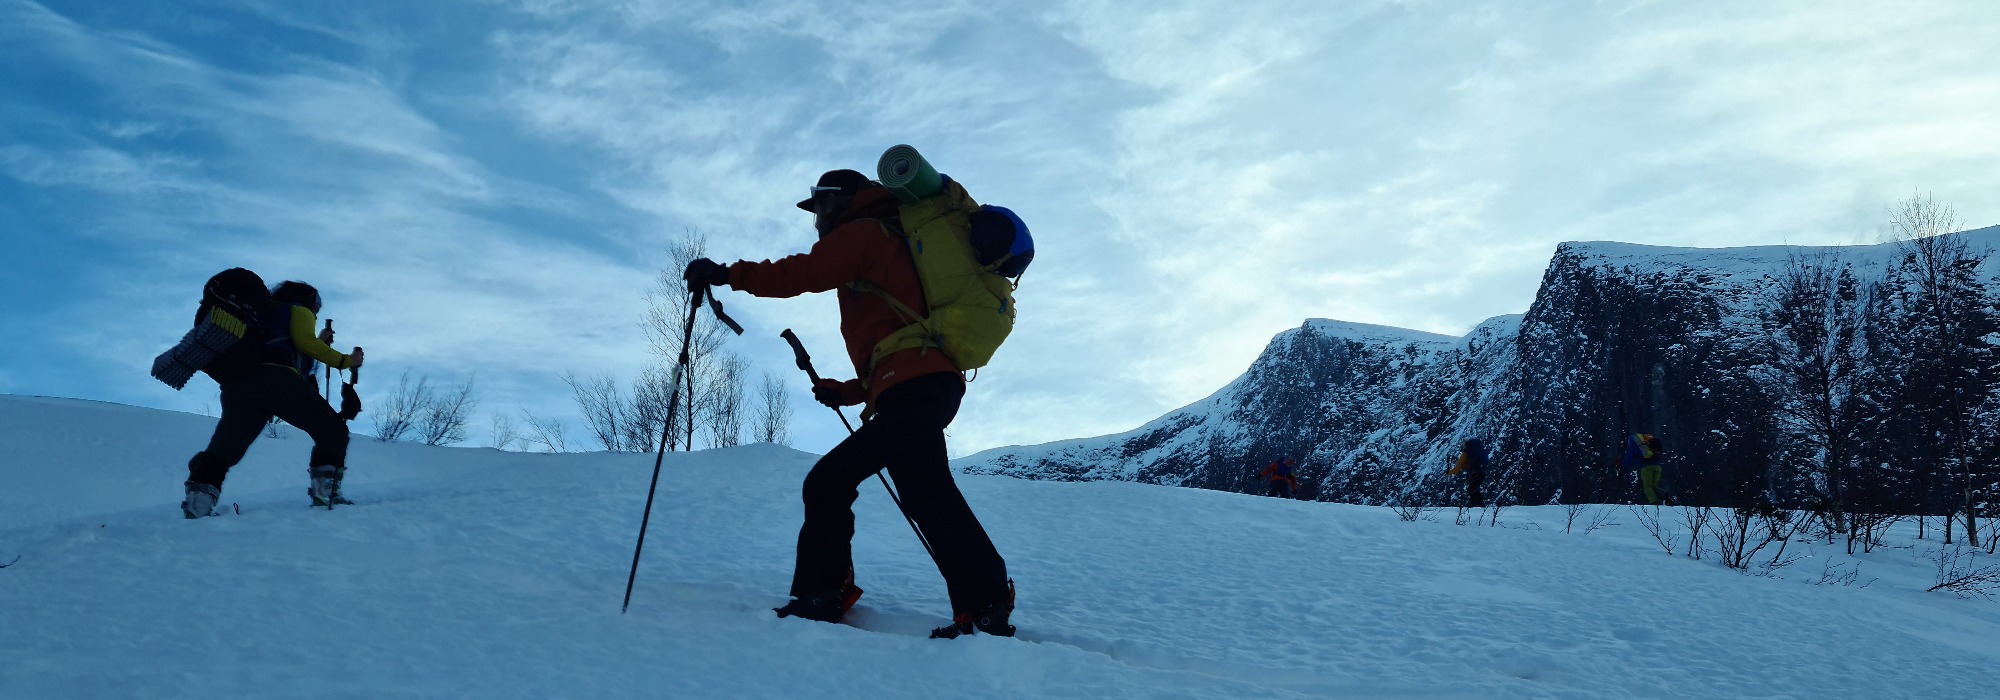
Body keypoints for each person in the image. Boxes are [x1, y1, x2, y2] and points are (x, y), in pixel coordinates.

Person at [682, 169, 1014, 639]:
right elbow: (899, 345)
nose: (816, 217)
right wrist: (848, 392)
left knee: (845, 484)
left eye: (818, 206)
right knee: (909, 488)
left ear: (839, 201)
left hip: (915, 386)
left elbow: (802, 273)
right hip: (920, 384)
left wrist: (727, 275)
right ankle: (980, 604)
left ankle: (842, 596)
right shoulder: (888, 238)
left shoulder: (864, 232)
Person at [182, 279, 363, 518]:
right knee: (332, 430)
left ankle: (198, 503)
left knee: (225, 450)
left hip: (238, 386)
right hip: (276, 380)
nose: (317, 309)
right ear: (307, 299)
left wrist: (319, 340)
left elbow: (287, 347)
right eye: (317, 303)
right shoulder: (298, 309)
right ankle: (326, 494)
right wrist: (347, 361)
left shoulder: (263, 317)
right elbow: (304, 343)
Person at [1621, 433, 1666, 505]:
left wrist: (1622, 465)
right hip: (1658, 466)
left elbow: (1630, 456)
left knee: (1647, 486)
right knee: (1654, 486)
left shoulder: (1636, 445)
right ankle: (1665, 495)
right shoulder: (1648, 444)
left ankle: (1654, 502)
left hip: (1646, 467)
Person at [1446, 438, 1488, 508]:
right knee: (1474, 488)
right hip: (1482, 472)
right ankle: (1476, 505)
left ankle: (1479, 505)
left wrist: (1449, 472)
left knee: (1472, 489)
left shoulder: (1466, 453)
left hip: (1475, 473)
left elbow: (1458, 467)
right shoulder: (1479, 451)